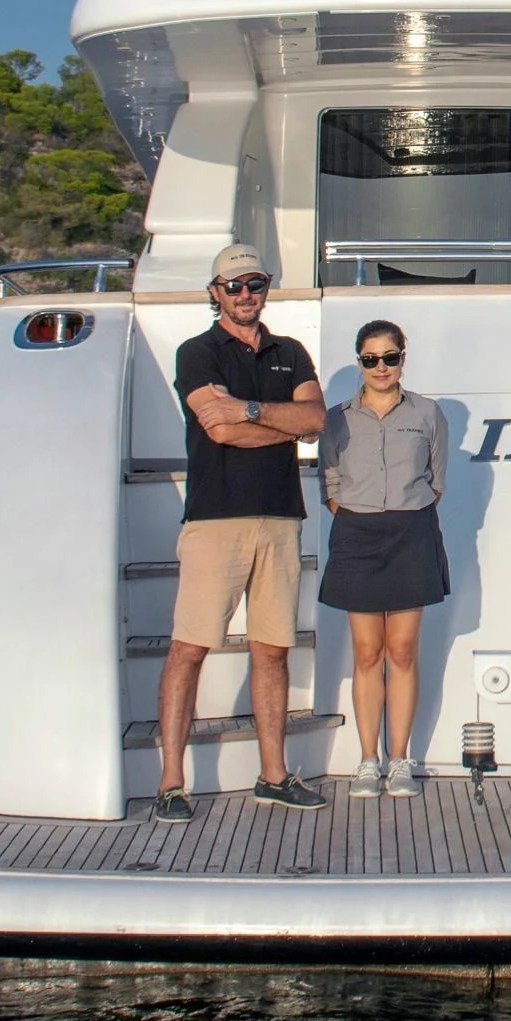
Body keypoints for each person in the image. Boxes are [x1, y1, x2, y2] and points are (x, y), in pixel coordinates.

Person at [156, 243, 328, 823]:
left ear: (266, 288)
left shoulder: (291, 351)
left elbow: (314, 421)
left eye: (255, 284)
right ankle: (172, 783)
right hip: (215, 518)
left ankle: (273, 777)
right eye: (233, 286)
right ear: (215, 293)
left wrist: (249, 412)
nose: (245, 294)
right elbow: (217, 429)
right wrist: (276, 420)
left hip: (280, 516)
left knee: (272, 651)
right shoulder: (196, 352)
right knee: (188, 649)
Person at [318, 319, 451, 801]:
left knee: (403, 651)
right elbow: (328, 482)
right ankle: (367, 760)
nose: (381, 367)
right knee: (367, 653)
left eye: (389, 357)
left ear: (403, 358)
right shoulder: (336, 418)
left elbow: (436, 480)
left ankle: (401, 761)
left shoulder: (429, 413)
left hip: (410, 532)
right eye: (371, 359)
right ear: (360, 361)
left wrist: (402, 514)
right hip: (357, 534)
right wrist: (352, 513)